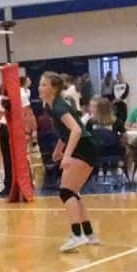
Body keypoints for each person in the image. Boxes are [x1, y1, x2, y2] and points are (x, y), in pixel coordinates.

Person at [39, 72, 100, 252]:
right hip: (84, 147)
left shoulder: (59, 106)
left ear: (54, 89)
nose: (40, 88)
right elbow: (65, 131)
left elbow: (76, 130)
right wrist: (59, 149)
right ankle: (89, 234)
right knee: (73, 192)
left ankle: (76, 235)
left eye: (44, 85)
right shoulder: (49, 106)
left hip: (83, 147)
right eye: (40, 84)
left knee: (66, 192)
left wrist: (67, 155)